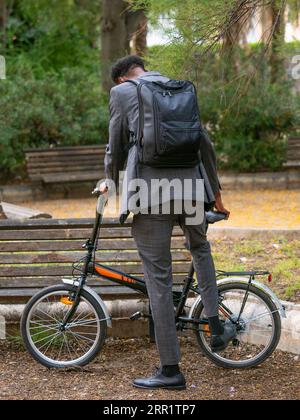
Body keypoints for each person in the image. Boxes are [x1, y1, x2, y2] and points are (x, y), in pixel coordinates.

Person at [102, 55, 236, 390]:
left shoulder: (122, 94)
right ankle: (214, 324)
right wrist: (215, 193)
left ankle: (170, 370)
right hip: (191, 189)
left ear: (121, 79)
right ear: (144, 69)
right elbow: (203, 142)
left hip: (150, 194)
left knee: (159, 278)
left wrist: (112, 183)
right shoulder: (178, 87)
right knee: (199, 248)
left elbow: (116, 145)